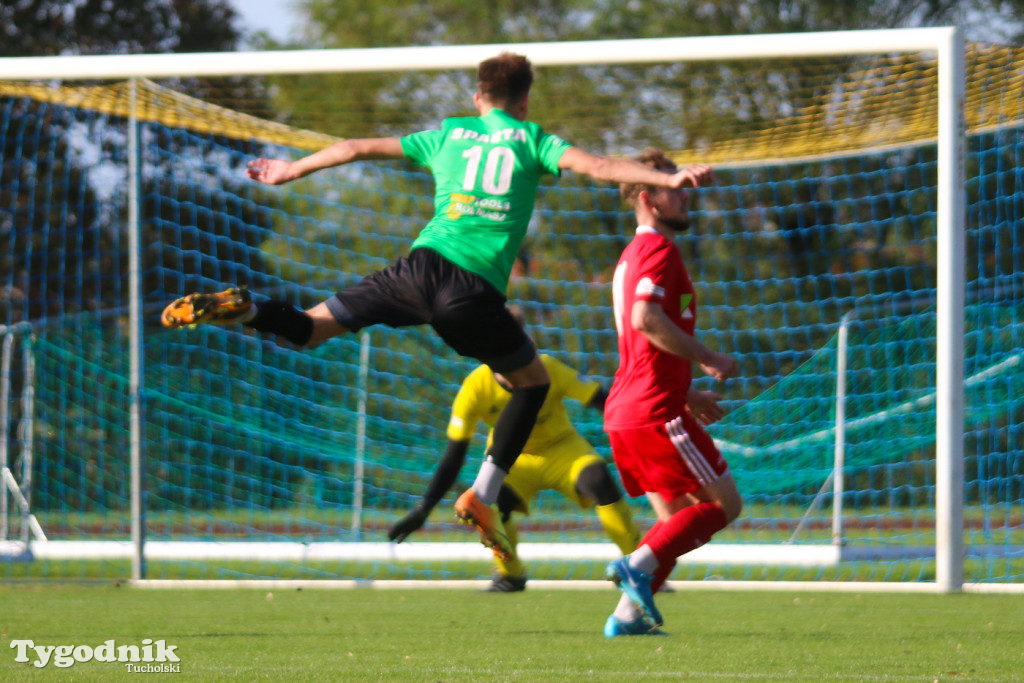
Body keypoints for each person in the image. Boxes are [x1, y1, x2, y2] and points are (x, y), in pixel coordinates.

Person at [161, 53, 709, 561]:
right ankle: (484, 494)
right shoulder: (530, 138)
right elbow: (602, 165)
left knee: (308, 328)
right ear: (523, 102)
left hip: (415, 268)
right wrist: (667, 177)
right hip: (468, 289)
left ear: (477, 98)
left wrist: (289, 171)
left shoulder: (449, 133)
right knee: (533, 383)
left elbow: (353, 147)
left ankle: (249, 308)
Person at [387, 306, 640, 591]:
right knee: (489, 502)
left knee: (599, 480)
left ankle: (640, 567)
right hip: (511, 461)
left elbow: (601, 400)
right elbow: (454, 455)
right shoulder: (475, 388)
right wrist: (423, 509)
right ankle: (511, 574)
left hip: (563, 451)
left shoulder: (549, 368)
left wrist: (639, 431)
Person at [602, 148, 741, 637]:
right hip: (654, 411)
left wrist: (686, 392)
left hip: (630, 409)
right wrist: (707, 357)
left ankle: (626, 618)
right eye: (674, 189)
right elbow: (646, 320)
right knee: (724, 506)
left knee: (676, 522)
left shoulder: (628, 259)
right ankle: (634, 566)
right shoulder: (656, 250)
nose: (686, 197)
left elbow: (638, 342)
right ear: (648, 199)